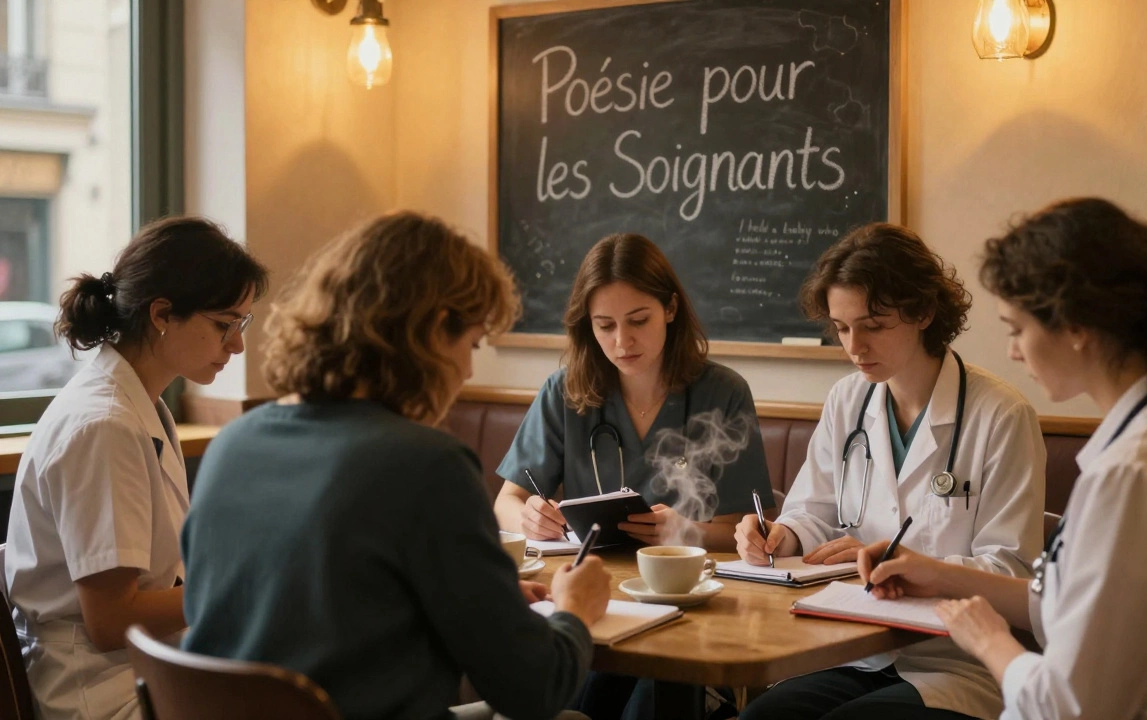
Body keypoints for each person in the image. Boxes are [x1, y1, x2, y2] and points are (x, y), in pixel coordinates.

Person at [860, 197, 1147, 720]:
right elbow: (1074, 604)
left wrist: (989, 641)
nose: (1013, 352)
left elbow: (1065, 708)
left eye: (1017, 329)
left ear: (1076, 326)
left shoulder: (1135, 474)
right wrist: (942, 575)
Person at [180, 211, 609, 720]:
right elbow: (534, 691)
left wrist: (472, 594)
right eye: (470, 344)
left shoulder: (232, 445)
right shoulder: (427, 466)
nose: (469, 369)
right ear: (430, 330)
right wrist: (574, 613)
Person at [735, 223, 1046, 720]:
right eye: (841, 327)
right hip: (849, 649)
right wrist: (779, 536)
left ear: (923, 311)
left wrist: (903, 563)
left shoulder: (1001, 415)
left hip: (955, 663)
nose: (854, 346)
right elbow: (812, 512)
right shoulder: (847, 399)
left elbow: (1013, 571)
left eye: (873, 325)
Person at [4, 217, 268, 720]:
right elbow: (110, 620)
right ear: (163, 313)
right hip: (102, 695)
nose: (236, 345)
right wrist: (242, 588)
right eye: (224, 324)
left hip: (141, 669)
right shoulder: (104, 424)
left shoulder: (138, 405)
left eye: (242, 325)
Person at [494, 232, 774, 552]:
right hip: (592, 577)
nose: (622, 342)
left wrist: (684, 531)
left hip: (691, 580)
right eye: (605, 325)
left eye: (638, 321)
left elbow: (750, 529)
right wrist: (528, 519)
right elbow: (506, 502)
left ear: (670, 308)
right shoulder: (564, 391)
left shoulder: (724, 393)